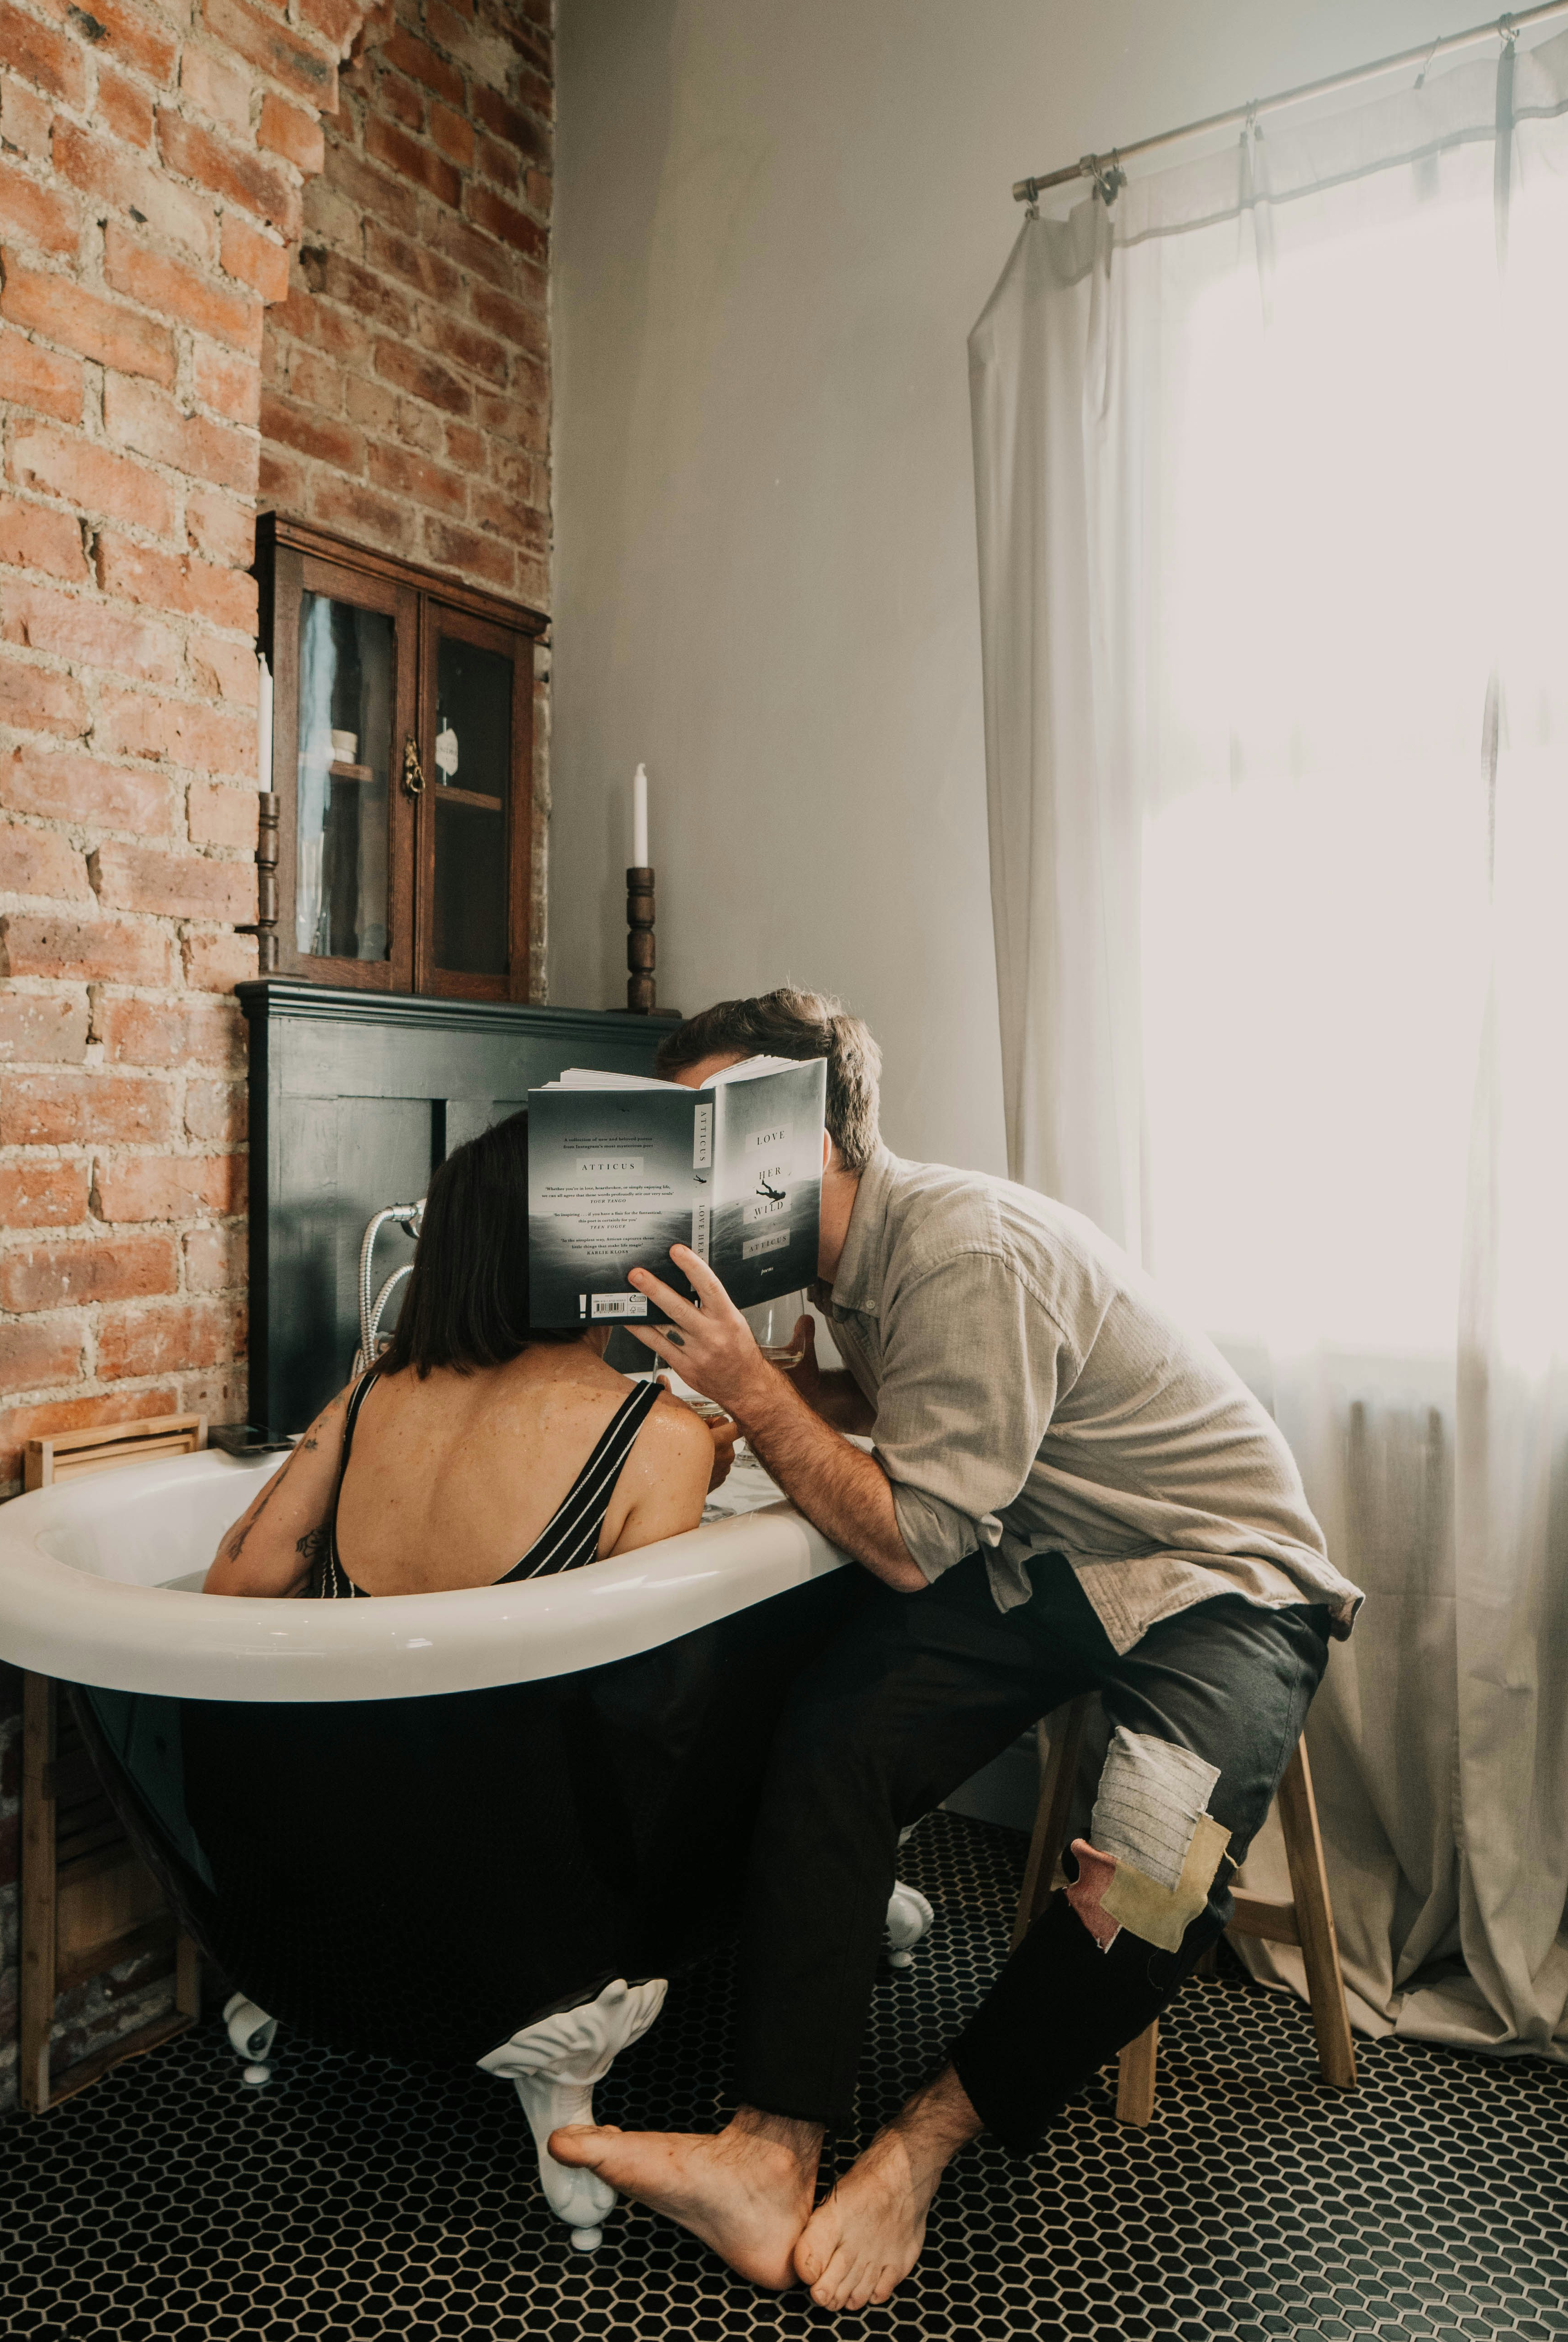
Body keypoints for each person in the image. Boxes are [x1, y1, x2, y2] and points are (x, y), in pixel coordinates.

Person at [549, 988, 1361, 2312]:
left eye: (709, 1133)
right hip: (1056, 1560)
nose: (683, 1174)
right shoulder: (851, 1265)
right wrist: (792, 1385)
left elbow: (913, 1544)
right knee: (833, 1727)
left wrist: (750, 1388)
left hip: (1219, 1576)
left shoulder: (958, 1249)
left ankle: (918, 2148)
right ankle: (769, 2148)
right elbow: (918, 1407)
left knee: (1152, 1882)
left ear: (806, 1139)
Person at [204, 1110, 730, 1602]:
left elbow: (236, 1586)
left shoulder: (372, 1392)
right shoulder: (661, 1437)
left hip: (346, 1674)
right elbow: (638, 1667)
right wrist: (674, 1472)